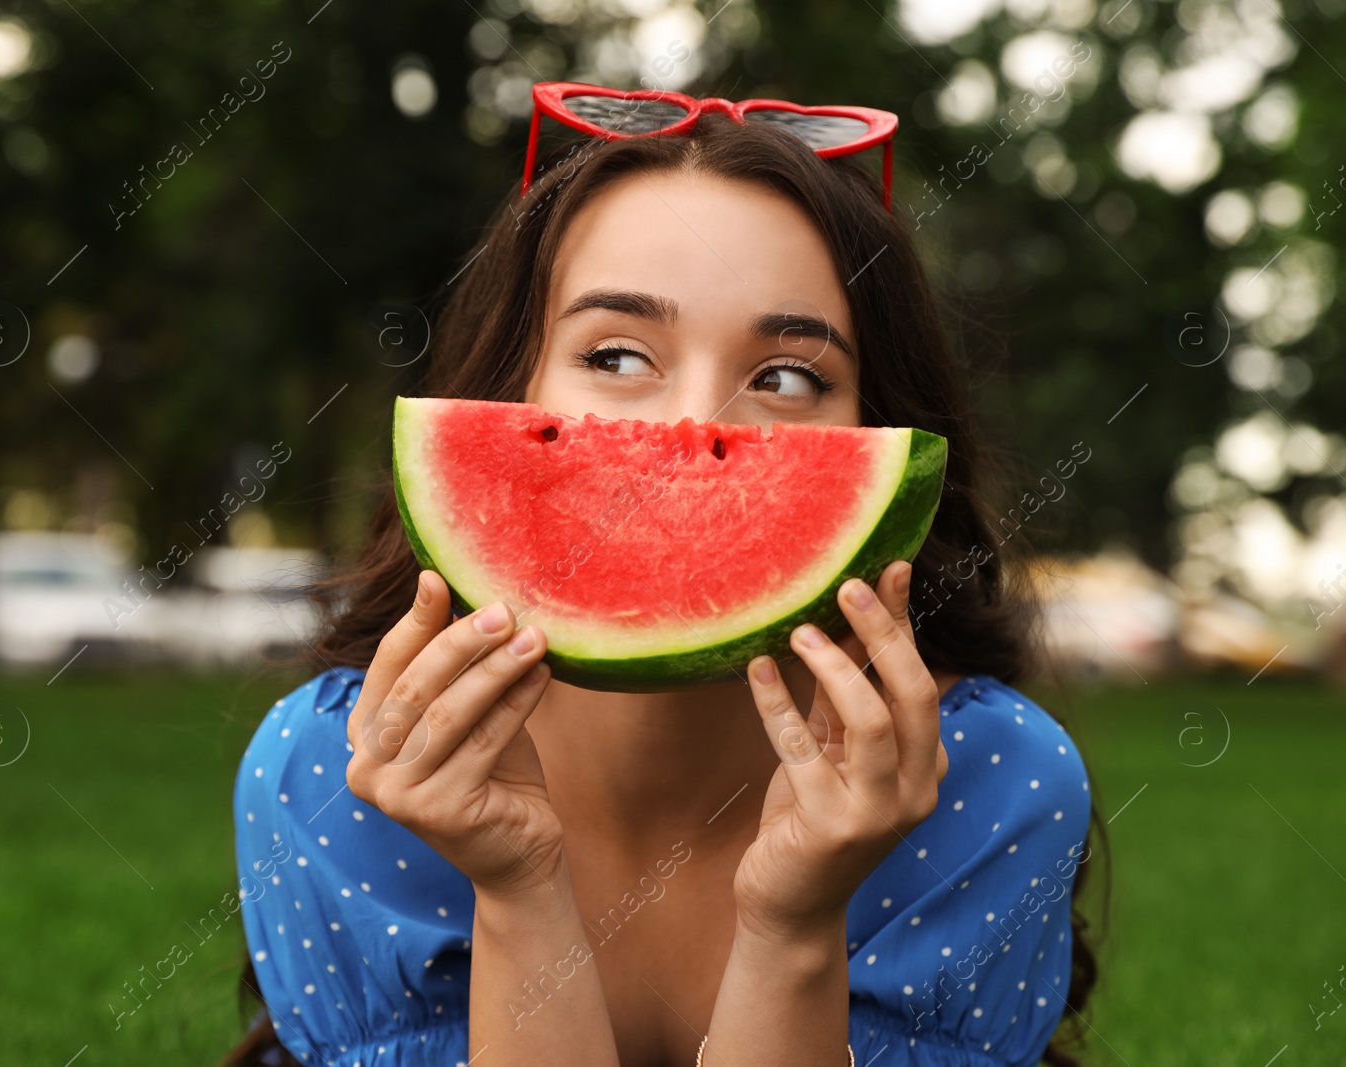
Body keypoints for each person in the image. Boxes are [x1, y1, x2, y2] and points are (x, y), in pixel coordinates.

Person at [226, 85, 1102, 1067]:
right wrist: (518, 892)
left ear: (883, 431)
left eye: (786, 376)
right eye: (614, 354)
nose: (694, 427)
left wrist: (794, 928)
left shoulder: (984, 782)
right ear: (506, 391)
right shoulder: (337, 773)